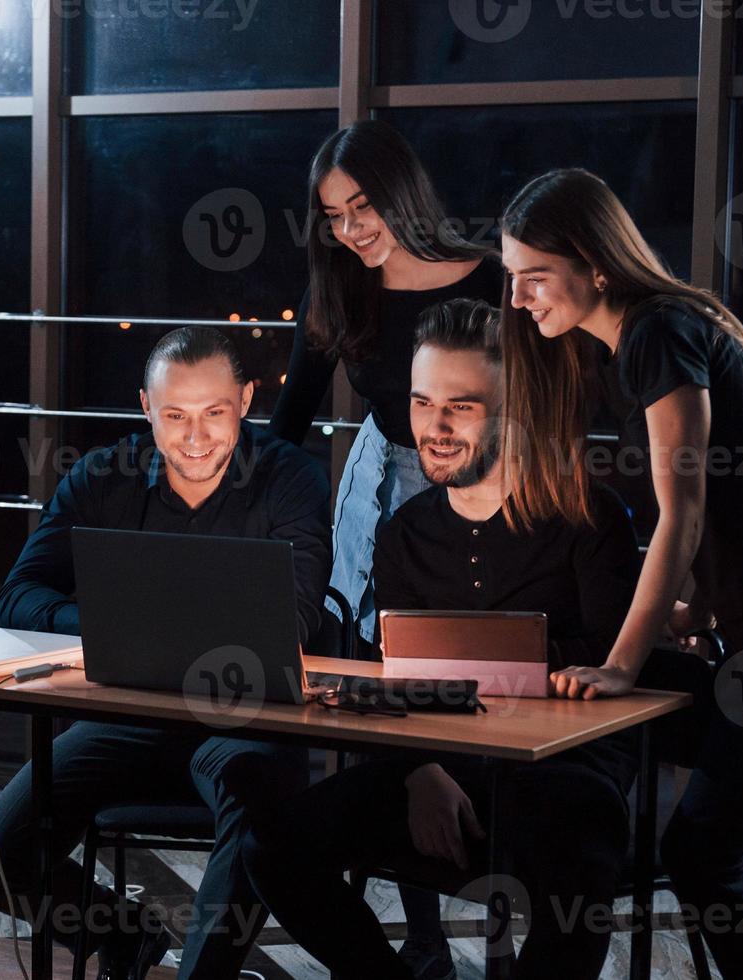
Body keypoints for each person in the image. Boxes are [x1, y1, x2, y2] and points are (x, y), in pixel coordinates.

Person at [500, 168, 743, 979]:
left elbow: (684, 513)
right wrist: (694, 611)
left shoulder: (654, 333)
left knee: (705, 851)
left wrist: (619, 662)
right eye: (512, 278)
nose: (519, 298)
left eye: (533, 276)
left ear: (592, 263)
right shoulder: (658, 330)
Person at [244, 298, 641, 979]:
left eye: (462, 405)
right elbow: (398, 679)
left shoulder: (588, 517)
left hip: (564, 773)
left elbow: (611, 690)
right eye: (424, 403)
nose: (436, 425)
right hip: (444, 764)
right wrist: (420, 772)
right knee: (272, 847)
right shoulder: (402, 533)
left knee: (576, 844)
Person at [0, 327, 331, 980]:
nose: (193, 437)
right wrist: (109, 626)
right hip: (124, 719)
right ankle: (124, 935)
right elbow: (18, 595)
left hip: (242, 718)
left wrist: (145, 623)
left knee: (251, 802)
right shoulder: (105, 474)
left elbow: (293, 619)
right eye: (173, 415)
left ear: (245, 400)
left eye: (214, 413)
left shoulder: (291, 478)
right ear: (144, 406)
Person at [266, 119, 502, 978]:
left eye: (362, 207)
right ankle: (424, 939)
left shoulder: (493, 278)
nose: (351, 230)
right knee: (381, 677)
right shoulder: (341, 289)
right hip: (380, 488)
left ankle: (492, 868)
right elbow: (290, 418)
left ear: (403, 194)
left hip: (483, 477)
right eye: (333, 215)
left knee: (472, 673)